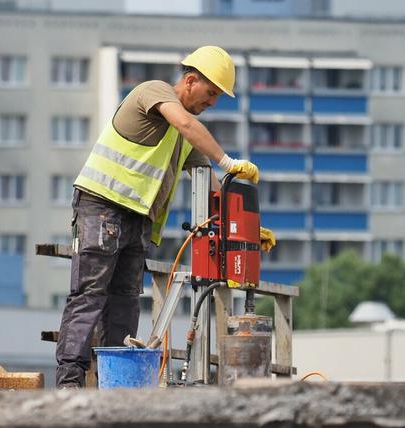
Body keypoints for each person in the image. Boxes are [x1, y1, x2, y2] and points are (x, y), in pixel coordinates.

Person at [55, 46, 277, 388]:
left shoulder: (183, 138)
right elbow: (188, 125)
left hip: (136, 222)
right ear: (190, 81)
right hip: (102, 207)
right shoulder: (153, 92)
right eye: (211, 93)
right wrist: (229, 162)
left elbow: (212, 190)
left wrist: (247, 229)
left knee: (125, 303)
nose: (213, 103)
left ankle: (116, 386)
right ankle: (69, 384)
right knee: (90, 296)